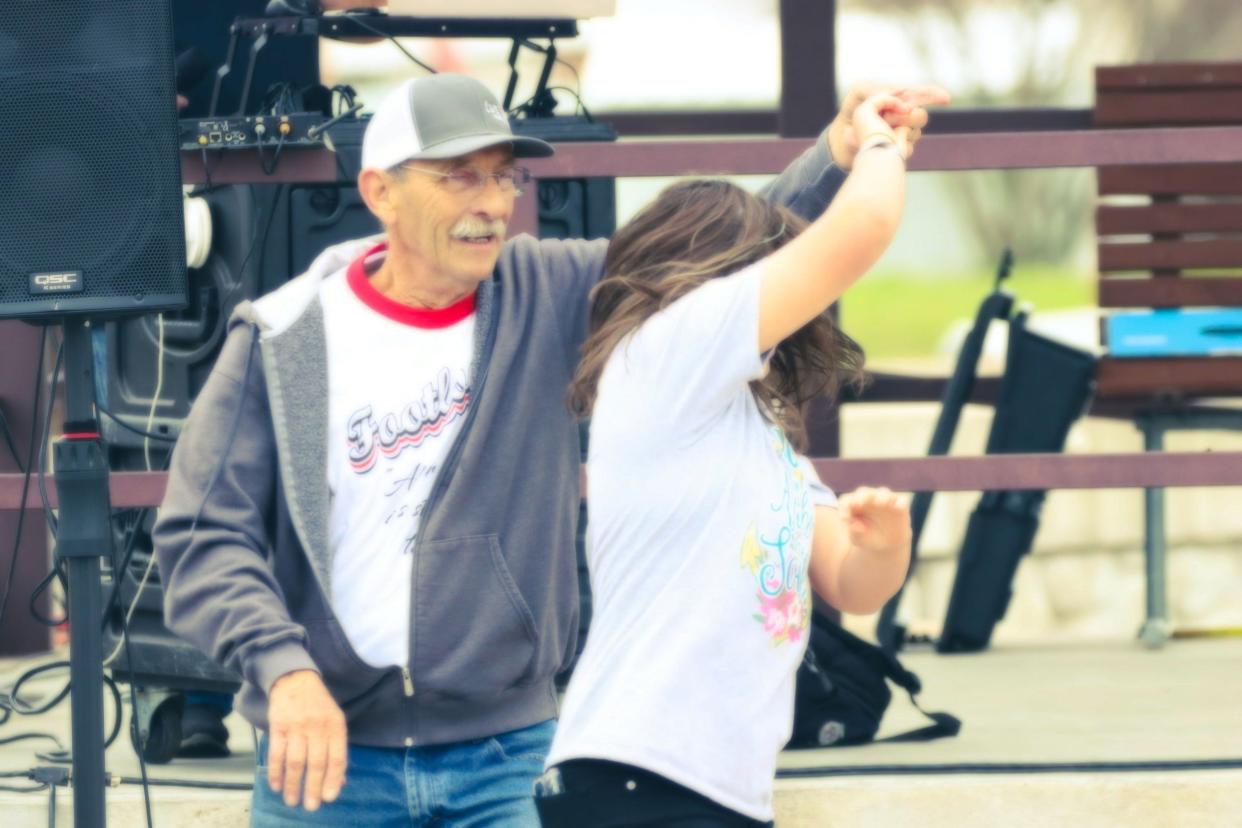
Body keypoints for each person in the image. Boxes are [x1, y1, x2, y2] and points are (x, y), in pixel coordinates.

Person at [153, 70, 945, 826]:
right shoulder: (287, 336)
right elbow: (201, 533)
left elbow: (710, 264)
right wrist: (282, 669)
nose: (493, 203)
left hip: (509, 755)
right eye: (459, 176)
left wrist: (834, 155)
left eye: (504, 177)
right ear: (379, 192)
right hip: (321, 755)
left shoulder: (548, 291)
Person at [537, 91, 932, 828]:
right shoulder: (663, 350)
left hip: (709, 790)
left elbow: (850, 585)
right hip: (639, 777)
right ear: (704, 277)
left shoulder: (752, 432)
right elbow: (863, 228)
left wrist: (887, 545)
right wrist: (877, 148)